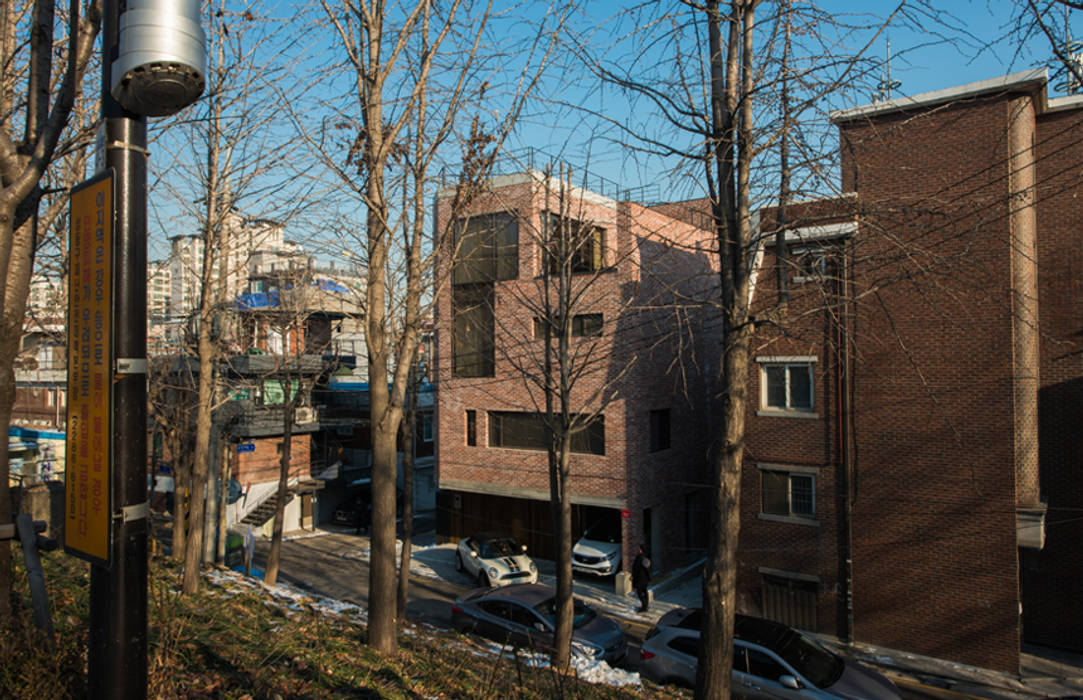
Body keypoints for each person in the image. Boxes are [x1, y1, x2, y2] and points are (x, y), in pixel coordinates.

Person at [632, 543, 652, 613]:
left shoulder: (639, 558)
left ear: (640, 550)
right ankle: (646, 605)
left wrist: (633, 576)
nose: (638, 550)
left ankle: (644, 607)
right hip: (645, 578)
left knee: (639, 592)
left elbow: (636, 569)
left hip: (639, 578)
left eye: (639, 548)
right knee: (645, 591)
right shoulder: (646, 557)